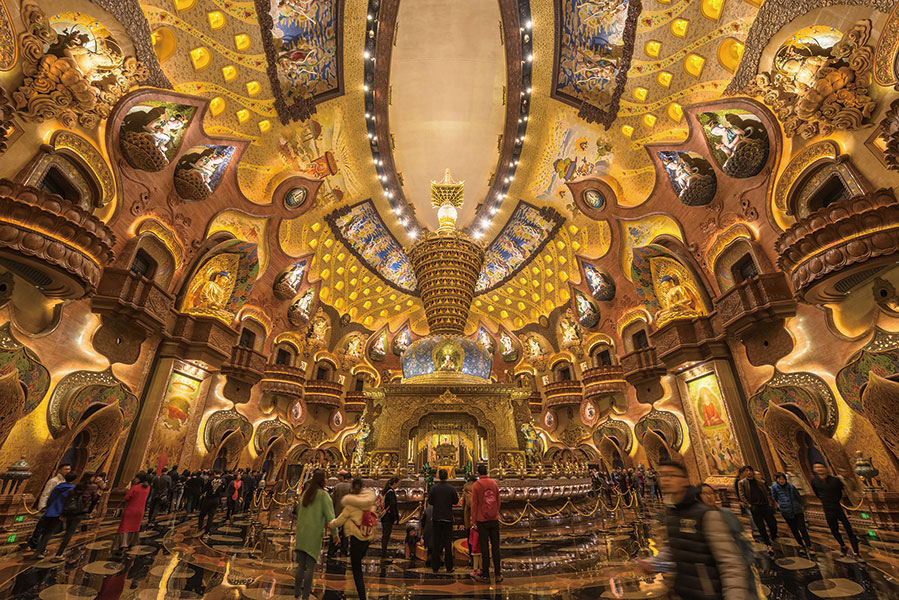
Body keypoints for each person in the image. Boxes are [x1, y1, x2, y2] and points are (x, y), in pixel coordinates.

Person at [638, 460, 753, 600]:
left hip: (709, 593)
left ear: (685, 481)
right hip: (684, 592)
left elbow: (730, 563)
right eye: (662, 475)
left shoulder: (706, 514)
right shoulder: (671, 512)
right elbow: (673, 548)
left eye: (671, 475)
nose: (666, 479)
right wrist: (653, 564)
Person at [294, 469, 338, 600]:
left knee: (301, 565)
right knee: (310, 567)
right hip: (313, 534)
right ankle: (306, 596)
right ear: (321, 480)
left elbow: (298, 512)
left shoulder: (306, 494)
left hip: (301, 533)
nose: (327, 480)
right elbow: (330, 516)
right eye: (325, 478)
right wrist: (335, 533)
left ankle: (297, 592)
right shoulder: (323, 495)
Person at [330, 478, 377, 600]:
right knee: (358, 566)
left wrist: (330, 524)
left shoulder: (350, 505)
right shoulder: (369, 502)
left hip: (356, 539)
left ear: (351, 489)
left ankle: (362, 596)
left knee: (357, 571)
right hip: (366, 538)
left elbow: (339, 520)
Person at [810, 462, 860, 557]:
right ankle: (843, 545)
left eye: (821, 467)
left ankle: (856, 551)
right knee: (834, 530)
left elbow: (841, 493)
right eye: (816, 467)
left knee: (849, 530)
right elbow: (817, 494)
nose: (819, 469)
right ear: (814, 470)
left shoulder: (835, 480)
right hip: (827, 508)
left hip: (838, 507)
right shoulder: (814, 481)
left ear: (825, 468)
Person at [31, 472, 77, 556]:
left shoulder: (59, 486)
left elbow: (51, 497)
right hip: (60, 513)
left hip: (50, 510)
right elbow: (69, 502)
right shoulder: (73, 489)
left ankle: (38, 548)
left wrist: (49, 506)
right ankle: (40, 551)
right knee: (49, 532)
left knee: (43, 529)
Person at [56, 471, 100, 556]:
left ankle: (60, 549)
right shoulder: (93, 487)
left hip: (70, 510)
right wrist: (89, 510)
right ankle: (59, 553)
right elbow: (94, 499)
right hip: (80, 511)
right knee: (70, 532)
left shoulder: (78, 485)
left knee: (67, 530)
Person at [470, 464, 502, 582]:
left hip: (482, 519)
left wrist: (473, 520)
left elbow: (474, 503)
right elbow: (498, 500)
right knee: (495, 546)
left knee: (484, 547)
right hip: (494, 519)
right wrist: (495, 512)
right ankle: (498, 573)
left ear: (478, 473)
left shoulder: (476, 485)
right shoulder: (494, 483)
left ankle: (486, 575)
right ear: (487, 472)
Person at [770, 472, 813, 555]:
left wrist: (800, 505)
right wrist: (781, 505)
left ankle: (809, 546)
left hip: (797, 510)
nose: (781, 481)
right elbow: (775, 497)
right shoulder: (774, 488)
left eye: (783, 479)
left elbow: (798, 496)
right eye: (779, 479)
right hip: (786, 511)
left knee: (802, 528)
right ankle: (801, 545)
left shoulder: (791, 486)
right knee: (794, 529)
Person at [737, 466, 778, 552]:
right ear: (744, 473)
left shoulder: (760, 482)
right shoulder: (742, 483)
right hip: (755, 507)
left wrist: (770, 503)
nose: (749, 472)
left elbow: (766, 493)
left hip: (765, 505)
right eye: (746, 471)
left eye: (750, 470)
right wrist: (749, 505)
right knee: (761, 527)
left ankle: (773, 538)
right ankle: (768, 543)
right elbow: (742, 495)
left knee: (773, 524)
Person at [427, 468, 458, 573]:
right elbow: (455, 501)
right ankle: (449, 566)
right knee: (447, 543)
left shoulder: (434, 488)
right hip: (448, 518)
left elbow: (430, 502)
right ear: (447, 476)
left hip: (436, 518)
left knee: (436, 542)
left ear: (438, 476)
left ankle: (435, 566)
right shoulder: (451, 488)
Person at [114, 473, 151, 554]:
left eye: (136, 478)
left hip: (131, 509)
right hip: (140, 510)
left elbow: (127, 497)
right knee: (134, 527)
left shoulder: (135, 487)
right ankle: (131, 542)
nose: (135, 479)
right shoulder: (148, 488)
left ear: (140, 479)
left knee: (125, 527)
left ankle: (123, 543)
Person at [329, 471, 352, 556]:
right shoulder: (351, 487)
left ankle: (332, 550)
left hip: (337, 512)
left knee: (335, 532)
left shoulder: (337, 486)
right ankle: (344, 550)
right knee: (345, 533)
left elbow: (333, 500)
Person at [197, 470, 226, 535]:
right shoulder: (223, 480)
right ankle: (208, 530)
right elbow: (224, 489)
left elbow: (205, 488)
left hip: (208, 498)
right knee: (211, 515)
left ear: (214, 473)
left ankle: (200, 527)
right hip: (216, 499)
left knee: (202, 514)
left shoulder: (210, 479)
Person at [380, 477, 399, 558]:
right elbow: (392, 505)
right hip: (388, 517)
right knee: (386, 535)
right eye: (397, 483)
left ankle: (384, 551)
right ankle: (384, 552)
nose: (398, 485)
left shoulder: (386, 491)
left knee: (385, 534)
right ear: (394, 483)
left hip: (385, 516)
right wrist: (395, 517)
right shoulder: (391, 492)